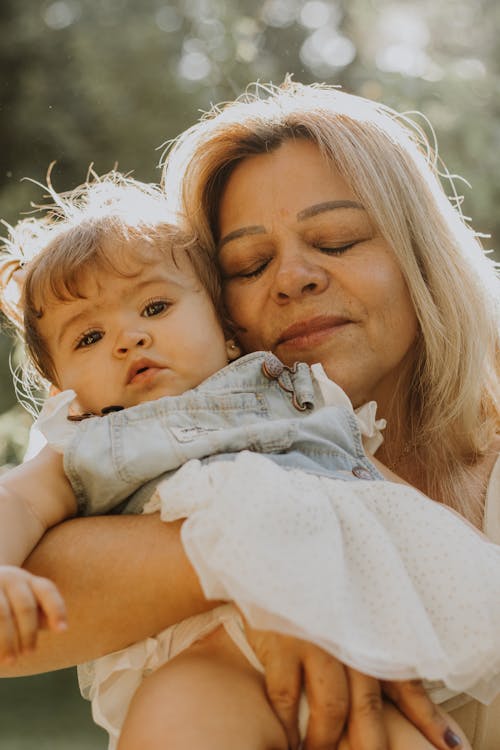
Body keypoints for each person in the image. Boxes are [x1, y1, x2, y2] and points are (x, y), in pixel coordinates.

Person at [0, 79, 498, 750]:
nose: (293, 277)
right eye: (250, 262)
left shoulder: (311, 414)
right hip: (214, 684)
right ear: (224, 306)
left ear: (422, 254)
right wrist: (273, 572)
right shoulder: (118, 427)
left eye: (338, 240)